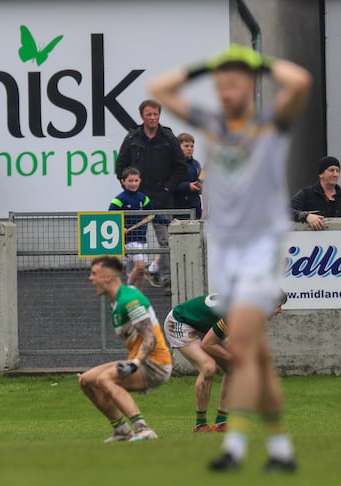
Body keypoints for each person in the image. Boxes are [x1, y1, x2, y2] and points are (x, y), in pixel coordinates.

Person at [149, 44, 311, 472]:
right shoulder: (214, 125)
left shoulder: (267, 127)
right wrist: (219, 66)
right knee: (212, 368)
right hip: (182, 324)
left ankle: (227, 429)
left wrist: (258, 63)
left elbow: (299, 82)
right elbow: (159, 87)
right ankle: (204, 425)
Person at [79, 256, 172, 442]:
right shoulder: (119, 298)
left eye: (94, 274)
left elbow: (150, 338)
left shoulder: (128, 300)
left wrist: (135, 364)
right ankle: (121, 430)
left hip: (155, 364)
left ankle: (142, 429)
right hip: (140, 361)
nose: (90, 278)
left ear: (107, 277)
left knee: (105, 379)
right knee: (86, 380)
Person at [115, 100, 188, 295]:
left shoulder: (168, 137)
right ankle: (133, 285)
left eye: (156, 114)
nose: (153, 118)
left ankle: (167, 280)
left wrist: (167, 188)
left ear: (159, 115)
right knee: (133, 241)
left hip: (161, 199)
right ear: (142, 116)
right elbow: (120, 165)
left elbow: (180, 166)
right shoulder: (132, 137)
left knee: (165, 241)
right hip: (135, 201)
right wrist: (130, 187)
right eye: (149, 114)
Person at [163, 293, 231, 433]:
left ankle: (221, 423)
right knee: (208, 368)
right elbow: (208, 344)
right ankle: (201, 424)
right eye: (277, 305)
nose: (279, 310)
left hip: (197, 323)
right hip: (178, 322)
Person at [109, 167, 155, 291]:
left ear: (140, 181)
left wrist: (169, 221)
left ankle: (138, 297)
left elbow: (152, 215)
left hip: (142, 238)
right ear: (123, 182)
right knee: (140, 267)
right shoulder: (119, 199)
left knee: (140, 273)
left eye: (136, 180)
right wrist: (120, 227)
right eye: (130, 181)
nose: (133, 183)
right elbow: (110, 217)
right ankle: (126, 291)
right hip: (129, 240)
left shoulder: (143, 198)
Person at [290, 156, 340, 230]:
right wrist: (306, 216)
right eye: (331, 170)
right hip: (311, 241)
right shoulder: (306, 193)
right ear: (321, 174)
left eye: (337, 171)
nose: (335, 174)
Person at [174, 132, 204, 219]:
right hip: (180, 210)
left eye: (192, 146)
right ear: (178, 147)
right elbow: (170, 185)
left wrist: (201, 186)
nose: (189, 149)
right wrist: (188, 186)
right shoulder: (173, 164)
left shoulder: (196, 164)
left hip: (196, 208)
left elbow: (202, 179)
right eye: (186, 146)